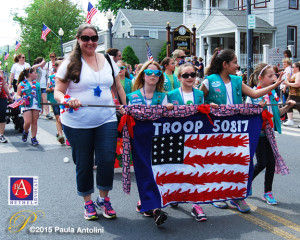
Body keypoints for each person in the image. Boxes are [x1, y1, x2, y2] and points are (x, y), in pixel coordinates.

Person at [54, 23, 126, 221]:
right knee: (84, 163)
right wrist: (67, 100)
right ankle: (87, 201)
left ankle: (104, 199)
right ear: (78, 39)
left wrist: (123, 106)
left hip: (107, 119)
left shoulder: (108, 59)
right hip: (77, 122)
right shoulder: (70, 62)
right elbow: (58, 91)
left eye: (94, 38)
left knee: (106, 160)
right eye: (85, 38)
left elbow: (118, 87)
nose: (90, 42)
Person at [200, 49, 284, 213]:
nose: (238, 66)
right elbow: (197, 101)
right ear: (225, 65)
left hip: (238, 129)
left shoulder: (238, 81)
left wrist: (276, 85)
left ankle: (237, 197)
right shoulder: (209, 81)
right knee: (219, 163)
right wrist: (208, 106)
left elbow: (254, 93)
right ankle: (219, 195)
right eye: (234, 62)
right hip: (217, 130)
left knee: (238, 163)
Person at [125, 60, 169, 226]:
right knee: (144, 171)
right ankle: (147, 201)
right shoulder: (131, 97)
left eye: (157, 73)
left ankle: (155, 207)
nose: (153, 76)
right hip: (139, 139)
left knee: (158, 171)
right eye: (149, 72)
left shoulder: (164, 97)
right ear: (142, 75)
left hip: (158, 139)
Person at [246, 63, 295, 204]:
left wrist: (288, 106)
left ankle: (268, 192)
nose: (274, 78)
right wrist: (258, 110)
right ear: (260, 78)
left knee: (271, 163)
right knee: (262, 163)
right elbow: (249, 114)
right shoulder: (253, 94)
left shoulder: (272, 94)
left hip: (269, 134)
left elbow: (277, 114)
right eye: (270, 76)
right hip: (257, 134)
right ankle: (247, 184)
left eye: (274, 75)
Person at [167, 63, 207, 222]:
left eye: (193, 74)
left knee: (195, 171)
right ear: (179, 78)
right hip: (176, 138)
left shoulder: (199, 94)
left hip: (195, 138)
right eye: (185, 75)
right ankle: (177, 195)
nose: (190, 78)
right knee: (178, 169)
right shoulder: (170, 95)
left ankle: (196, 204)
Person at [16, 67, 42, 146]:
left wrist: (41, 106)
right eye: (35, 72)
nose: (36, 74)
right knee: (27, 121)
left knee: (34, 122)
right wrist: (20, 99)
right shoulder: (22, 84)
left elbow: (40, 96)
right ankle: (26, 131)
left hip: (35, 104)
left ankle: (33, 138)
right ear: (30, 74)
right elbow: (17, 94)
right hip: (26, 104)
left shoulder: (37, 84)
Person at [46, 60, 65, 144]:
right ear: (56, 67)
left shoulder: (67, 76)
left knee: (64, 117)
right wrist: (53, 89)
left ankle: (66, 135)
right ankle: (60, 135)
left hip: (65, 100)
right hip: (55, 100)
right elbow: (47, 89)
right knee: (58, 117)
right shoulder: (51, 78)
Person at [284, 62, 300, 127]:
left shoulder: (298, 74)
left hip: (296, 93)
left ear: (297, 68)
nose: (292, 68)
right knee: (293, 106)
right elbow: (290, 82)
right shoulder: (295, 74)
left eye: (293, 67)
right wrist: (288, 80)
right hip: (293, 93)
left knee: (288, 105)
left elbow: (297, 84)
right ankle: (290, 120)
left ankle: (290, 120)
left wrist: (288, 84)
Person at [0, 70, 12, 143]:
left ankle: (1, 135)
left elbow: (4, 85)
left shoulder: (1, 78)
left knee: (2, 115)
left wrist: (9, 96)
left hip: (2, 97)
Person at [281, 58, 293, 124]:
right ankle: (286, 117)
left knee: (285, 102)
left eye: (285, 62)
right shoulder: (288, 69)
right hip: (285, 86)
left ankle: (285, 117)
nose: (283, 64)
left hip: (285, 87)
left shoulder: (288, 69)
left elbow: (287, 79)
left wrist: (285, 87)